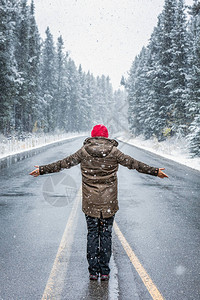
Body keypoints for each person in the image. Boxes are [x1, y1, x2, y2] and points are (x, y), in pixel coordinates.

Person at [30, 124, 168, 281]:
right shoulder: (114, 152)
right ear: (106, 137)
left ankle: (93, 271)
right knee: (106, 234)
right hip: (109, 202)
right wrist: (155, 171)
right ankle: (105, 271)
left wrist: (42, 169)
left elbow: (63, 163)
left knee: (92, 234)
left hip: (90, 203)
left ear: (93, 136)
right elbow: (134, 164)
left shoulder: (84, 152)